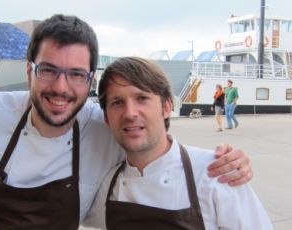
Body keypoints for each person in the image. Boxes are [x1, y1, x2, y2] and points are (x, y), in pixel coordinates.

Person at [0, 15, 252, 230]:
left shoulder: (102, 124)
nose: (61, 88)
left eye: (76, 74)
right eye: (48, 70)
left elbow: (152, 145)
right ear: (29, 70)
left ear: (89, 79)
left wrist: (221, 161)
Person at [84, 57, 272, 229]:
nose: (130, 113)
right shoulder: (108, 186)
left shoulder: (216, 174)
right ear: (107, 118)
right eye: (117, 102)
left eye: (142, 98)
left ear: (167, 107)